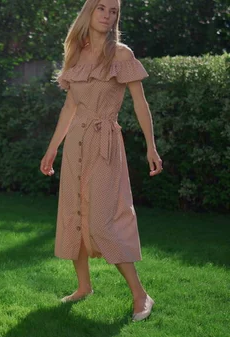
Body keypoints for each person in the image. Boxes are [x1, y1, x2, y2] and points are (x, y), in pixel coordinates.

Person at [39, 0, 162, 322]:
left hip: (105, 142)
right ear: (88, 12)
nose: (108, 16)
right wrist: (52, 148)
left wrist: (151, 146)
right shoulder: (76, 54)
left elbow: (139, 102)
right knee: (74, 211)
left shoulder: (121, 54)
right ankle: (83, 287)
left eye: (114, 11)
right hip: (76, 143)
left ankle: (141, 295)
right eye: (102, 9)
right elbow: (70, 108)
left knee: (103, 221)